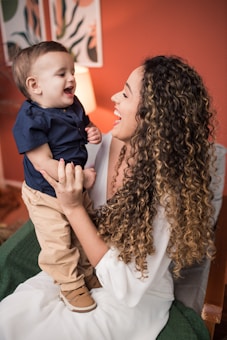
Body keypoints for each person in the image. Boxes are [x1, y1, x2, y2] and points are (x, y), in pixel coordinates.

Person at [0, 55, 216, 340]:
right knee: (11, 316)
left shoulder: (168, 193)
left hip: (131, 297)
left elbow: (126, 288)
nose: (114, 96)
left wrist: (74, 208)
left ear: (152, 115)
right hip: (85, 265)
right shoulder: (110, 142)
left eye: (125, 94)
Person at [12, 41, 102, 312]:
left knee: (83, 231)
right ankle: (70, 285)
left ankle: (87, 273)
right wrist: (81, 179)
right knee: (58, 241)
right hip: (46, 192)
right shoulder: (30, 119)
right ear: (35, 85)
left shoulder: (73, 104)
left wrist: (93, 131)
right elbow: (44, 164)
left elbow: (85, 124)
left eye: (71, 71)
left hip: (72, 188)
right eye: (62, 73)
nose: (72, 78)